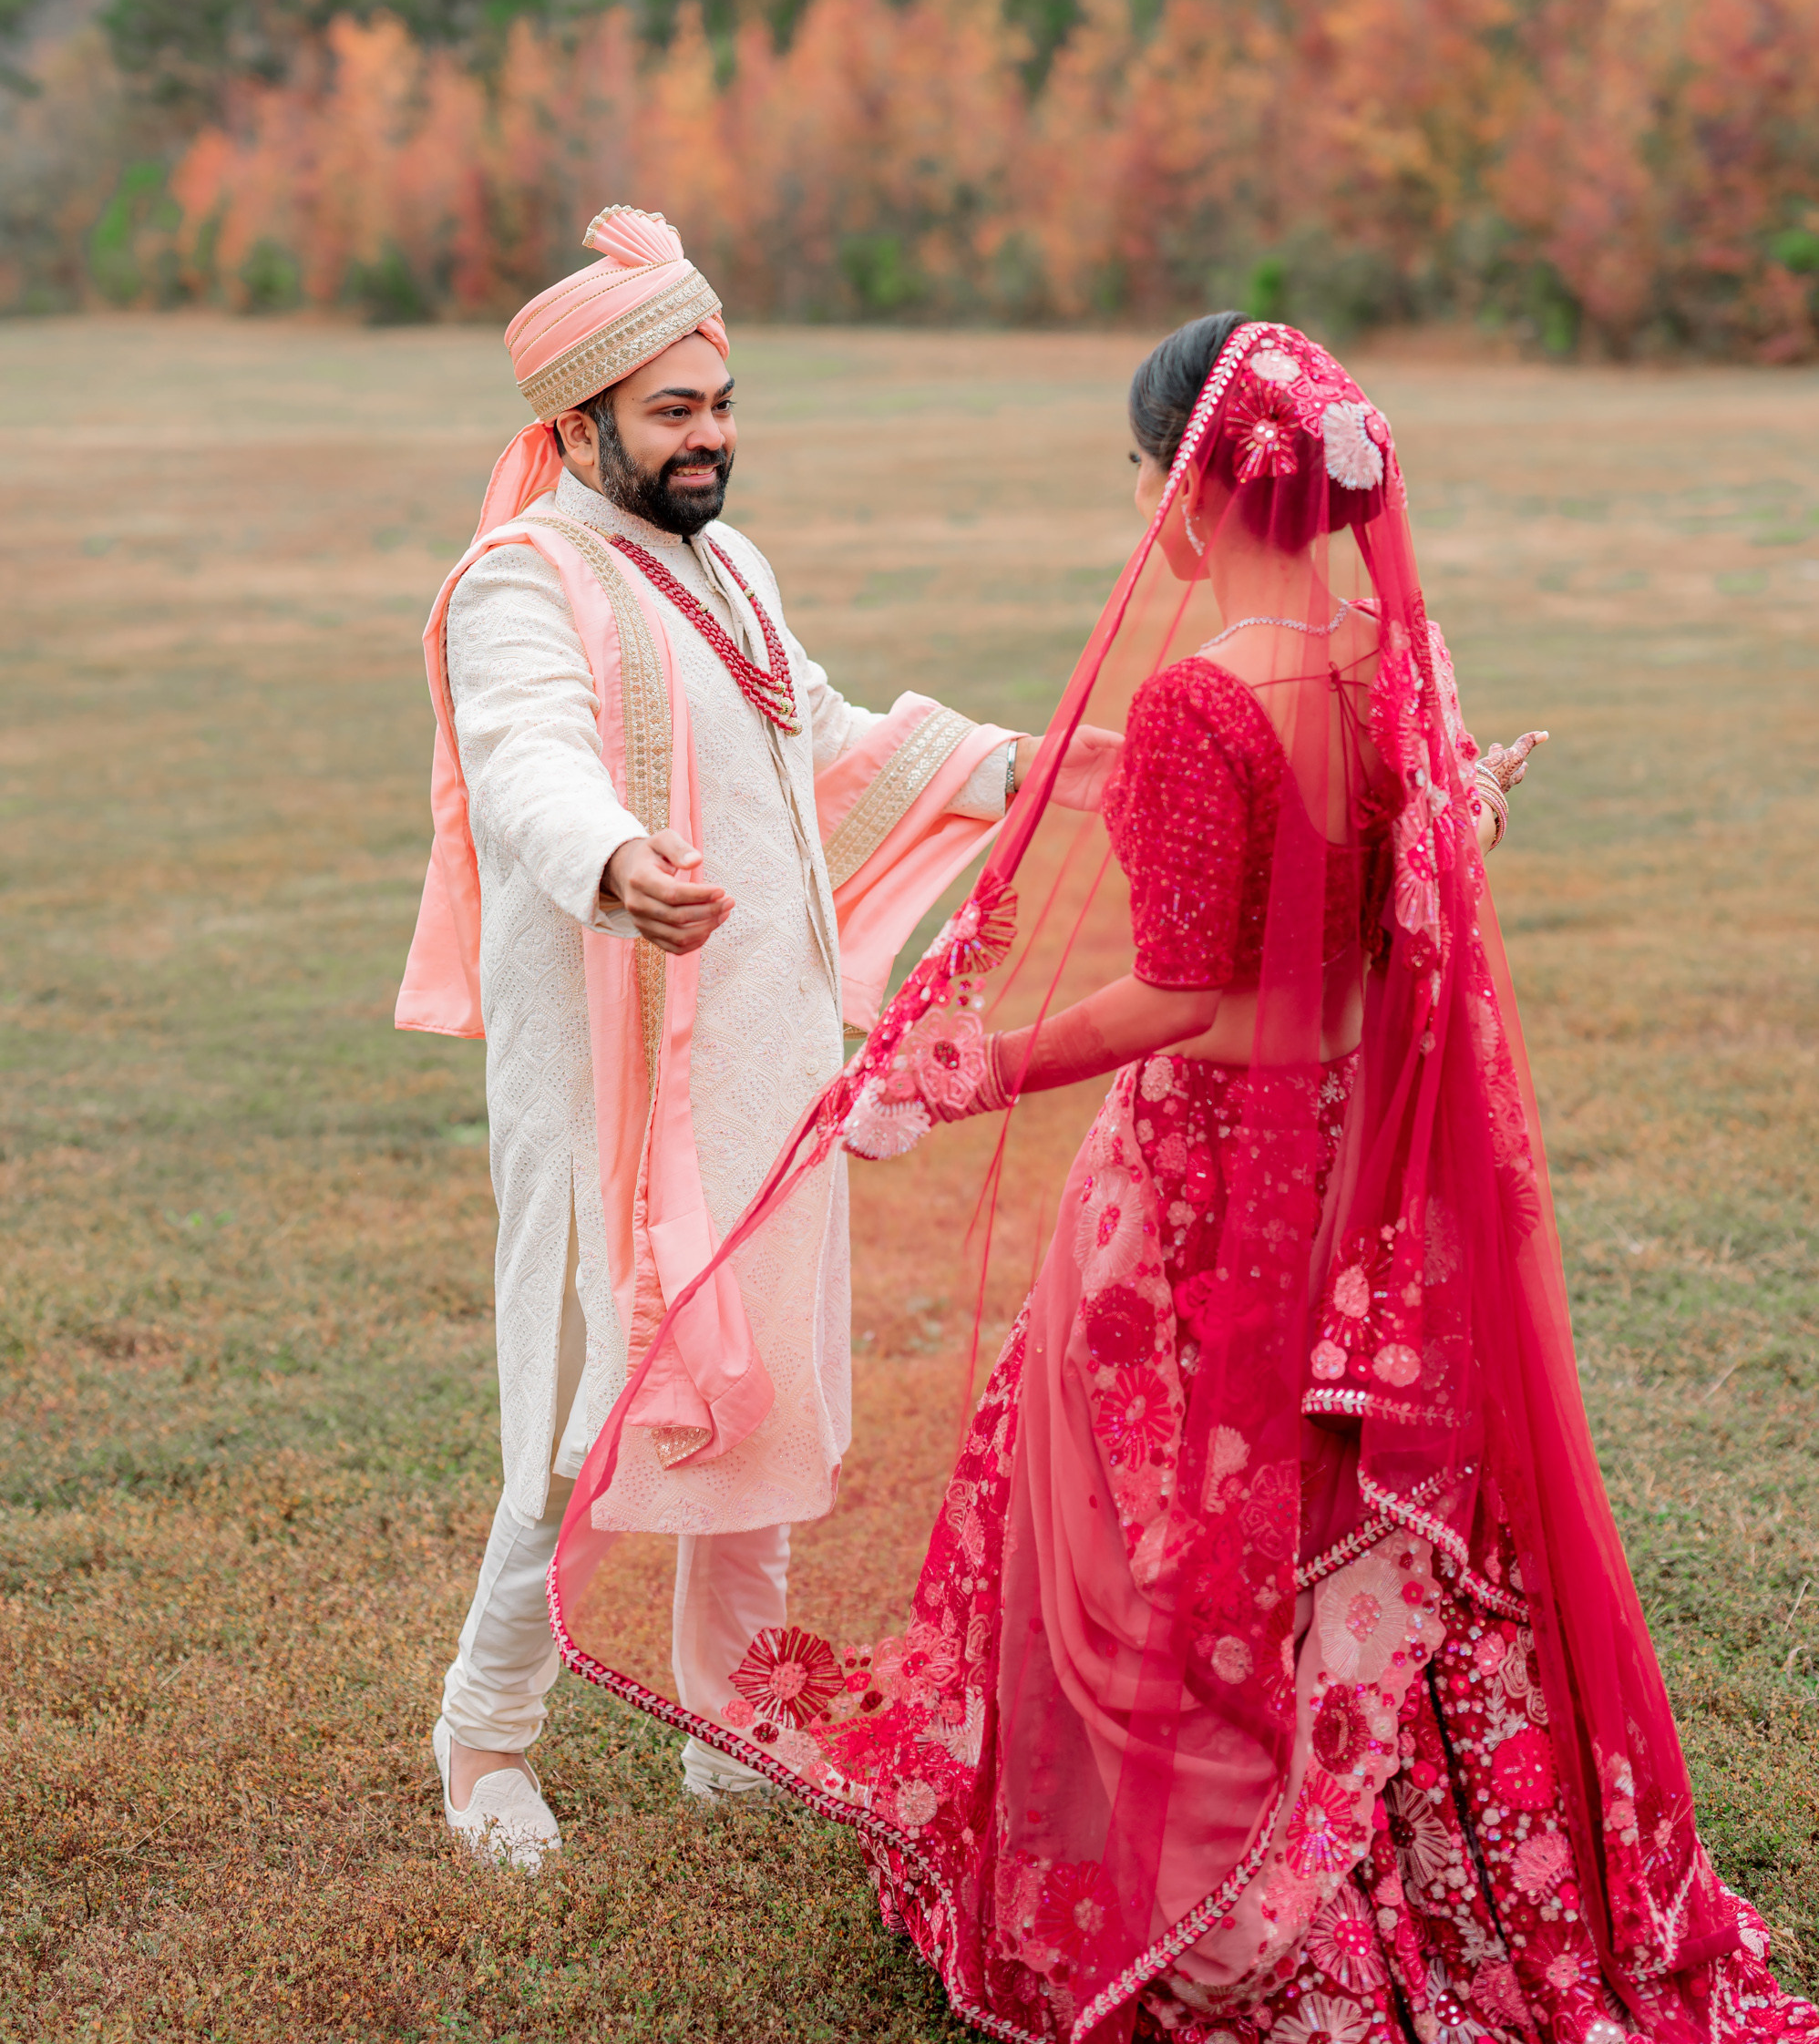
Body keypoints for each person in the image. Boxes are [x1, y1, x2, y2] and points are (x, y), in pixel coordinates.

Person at [550, 313, 1816, 2044]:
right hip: (1360, 1180)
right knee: (1318, 1498)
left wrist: (975, 1064)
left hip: (1210, 1180)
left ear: (1187, 482)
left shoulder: (1208, 700)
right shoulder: (1391, 658)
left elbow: (1188, 996)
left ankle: (1199, 1880)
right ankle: (1417, 1846)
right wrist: (1468, 817)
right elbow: (1392, 889)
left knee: (1147, 1528)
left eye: (1142, 470)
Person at [396, 205, 1115, 1866]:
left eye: (720, 403)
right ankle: (483, 1741)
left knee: (777, 1389)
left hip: (773, 1057)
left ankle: (735, 1715)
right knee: (585, 1416)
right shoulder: (525, 577)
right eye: (671, 412)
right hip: (613, 1073)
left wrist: (1019, 760)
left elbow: (833, 740)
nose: (710, 436)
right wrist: (613, 859)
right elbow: (525, 756)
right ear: (576, 428)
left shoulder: (731, 565)